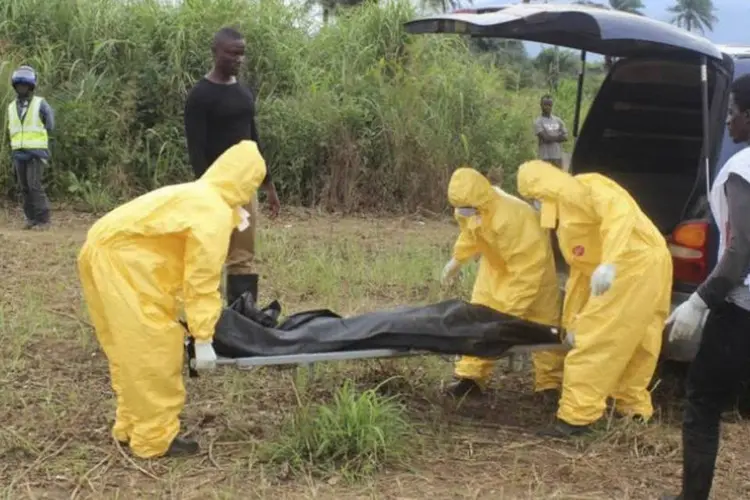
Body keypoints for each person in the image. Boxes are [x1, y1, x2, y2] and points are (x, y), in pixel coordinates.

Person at [77, 140, 267, 459]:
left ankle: (131, 425)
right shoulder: (214, 211)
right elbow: (201, 279)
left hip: (99, 251)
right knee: (154, 348)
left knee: (127, 348)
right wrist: (203, 336)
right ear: (247, 184)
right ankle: (154, 439)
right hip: (126, 264)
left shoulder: (196, 194)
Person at [517, 159, 673, 437]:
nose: (537, 204)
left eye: (536, 197)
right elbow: (580, 270)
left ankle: (576, 418)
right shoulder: (562, 214)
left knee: (598, 337)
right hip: (643, 263)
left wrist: (611, 262)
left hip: (630, 264)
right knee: (640, 337)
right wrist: (573, 321)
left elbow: (620, 216)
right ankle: (631, 407)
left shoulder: (591, 187)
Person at [660, 74, 750, 500]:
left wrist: (698, 302)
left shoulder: (741, 169)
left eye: (732, 114)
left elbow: (738, 254)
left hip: (741, 310)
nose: (729, 123)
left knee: (702, 402)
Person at [440, 167, 565, 399]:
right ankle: (470, 379)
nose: (464, 213)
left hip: (533, 271)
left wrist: (507, 312)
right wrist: (457, 259)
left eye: (468, 209)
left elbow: (527, 272)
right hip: (495, 269)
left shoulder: (513, 217)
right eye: (460, 209)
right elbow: (470, 234)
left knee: (543, 324)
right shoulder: (468, 208)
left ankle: (549, 385)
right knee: (479, 321)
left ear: (482, 201)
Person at [184, 26, 281, 306]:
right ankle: (210, 320)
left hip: (244, 190)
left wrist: (268, 185)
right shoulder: (200, 96)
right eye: (231, 53)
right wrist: (205, 194)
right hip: (214, 191)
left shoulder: (243, 93)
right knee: (211, 254)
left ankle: (242, 319)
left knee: (242, 257)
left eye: (241, 54)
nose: (237, 59)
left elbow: (254, 139)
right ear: (215, 52)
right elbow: (196, 150)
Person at [6, 65, 55, 230]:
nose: (22, 88)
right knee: (24, 187)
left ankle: (43, 220)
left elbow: (50, 124)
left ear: (30, 87)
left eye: (25, 85)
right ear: (15, 86)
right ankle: (31, 218)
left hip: (35, 152)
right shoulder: (12, 106)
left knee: (34, 185)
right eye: (19, 85)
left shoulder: (40, 104)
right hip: (19, 153)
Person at [534, 95, 567, 169]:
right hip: (545, 157)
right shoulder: (538, 122)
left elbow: (565, 137)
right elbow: (545, 138)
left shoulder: (558, 120)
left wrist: (550, 137)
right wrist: (558, 137)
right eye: (545, 104)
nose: (548, 107)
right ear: (541, 105)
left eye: (550, 105)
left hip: (558, 157)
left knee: (558, 179)